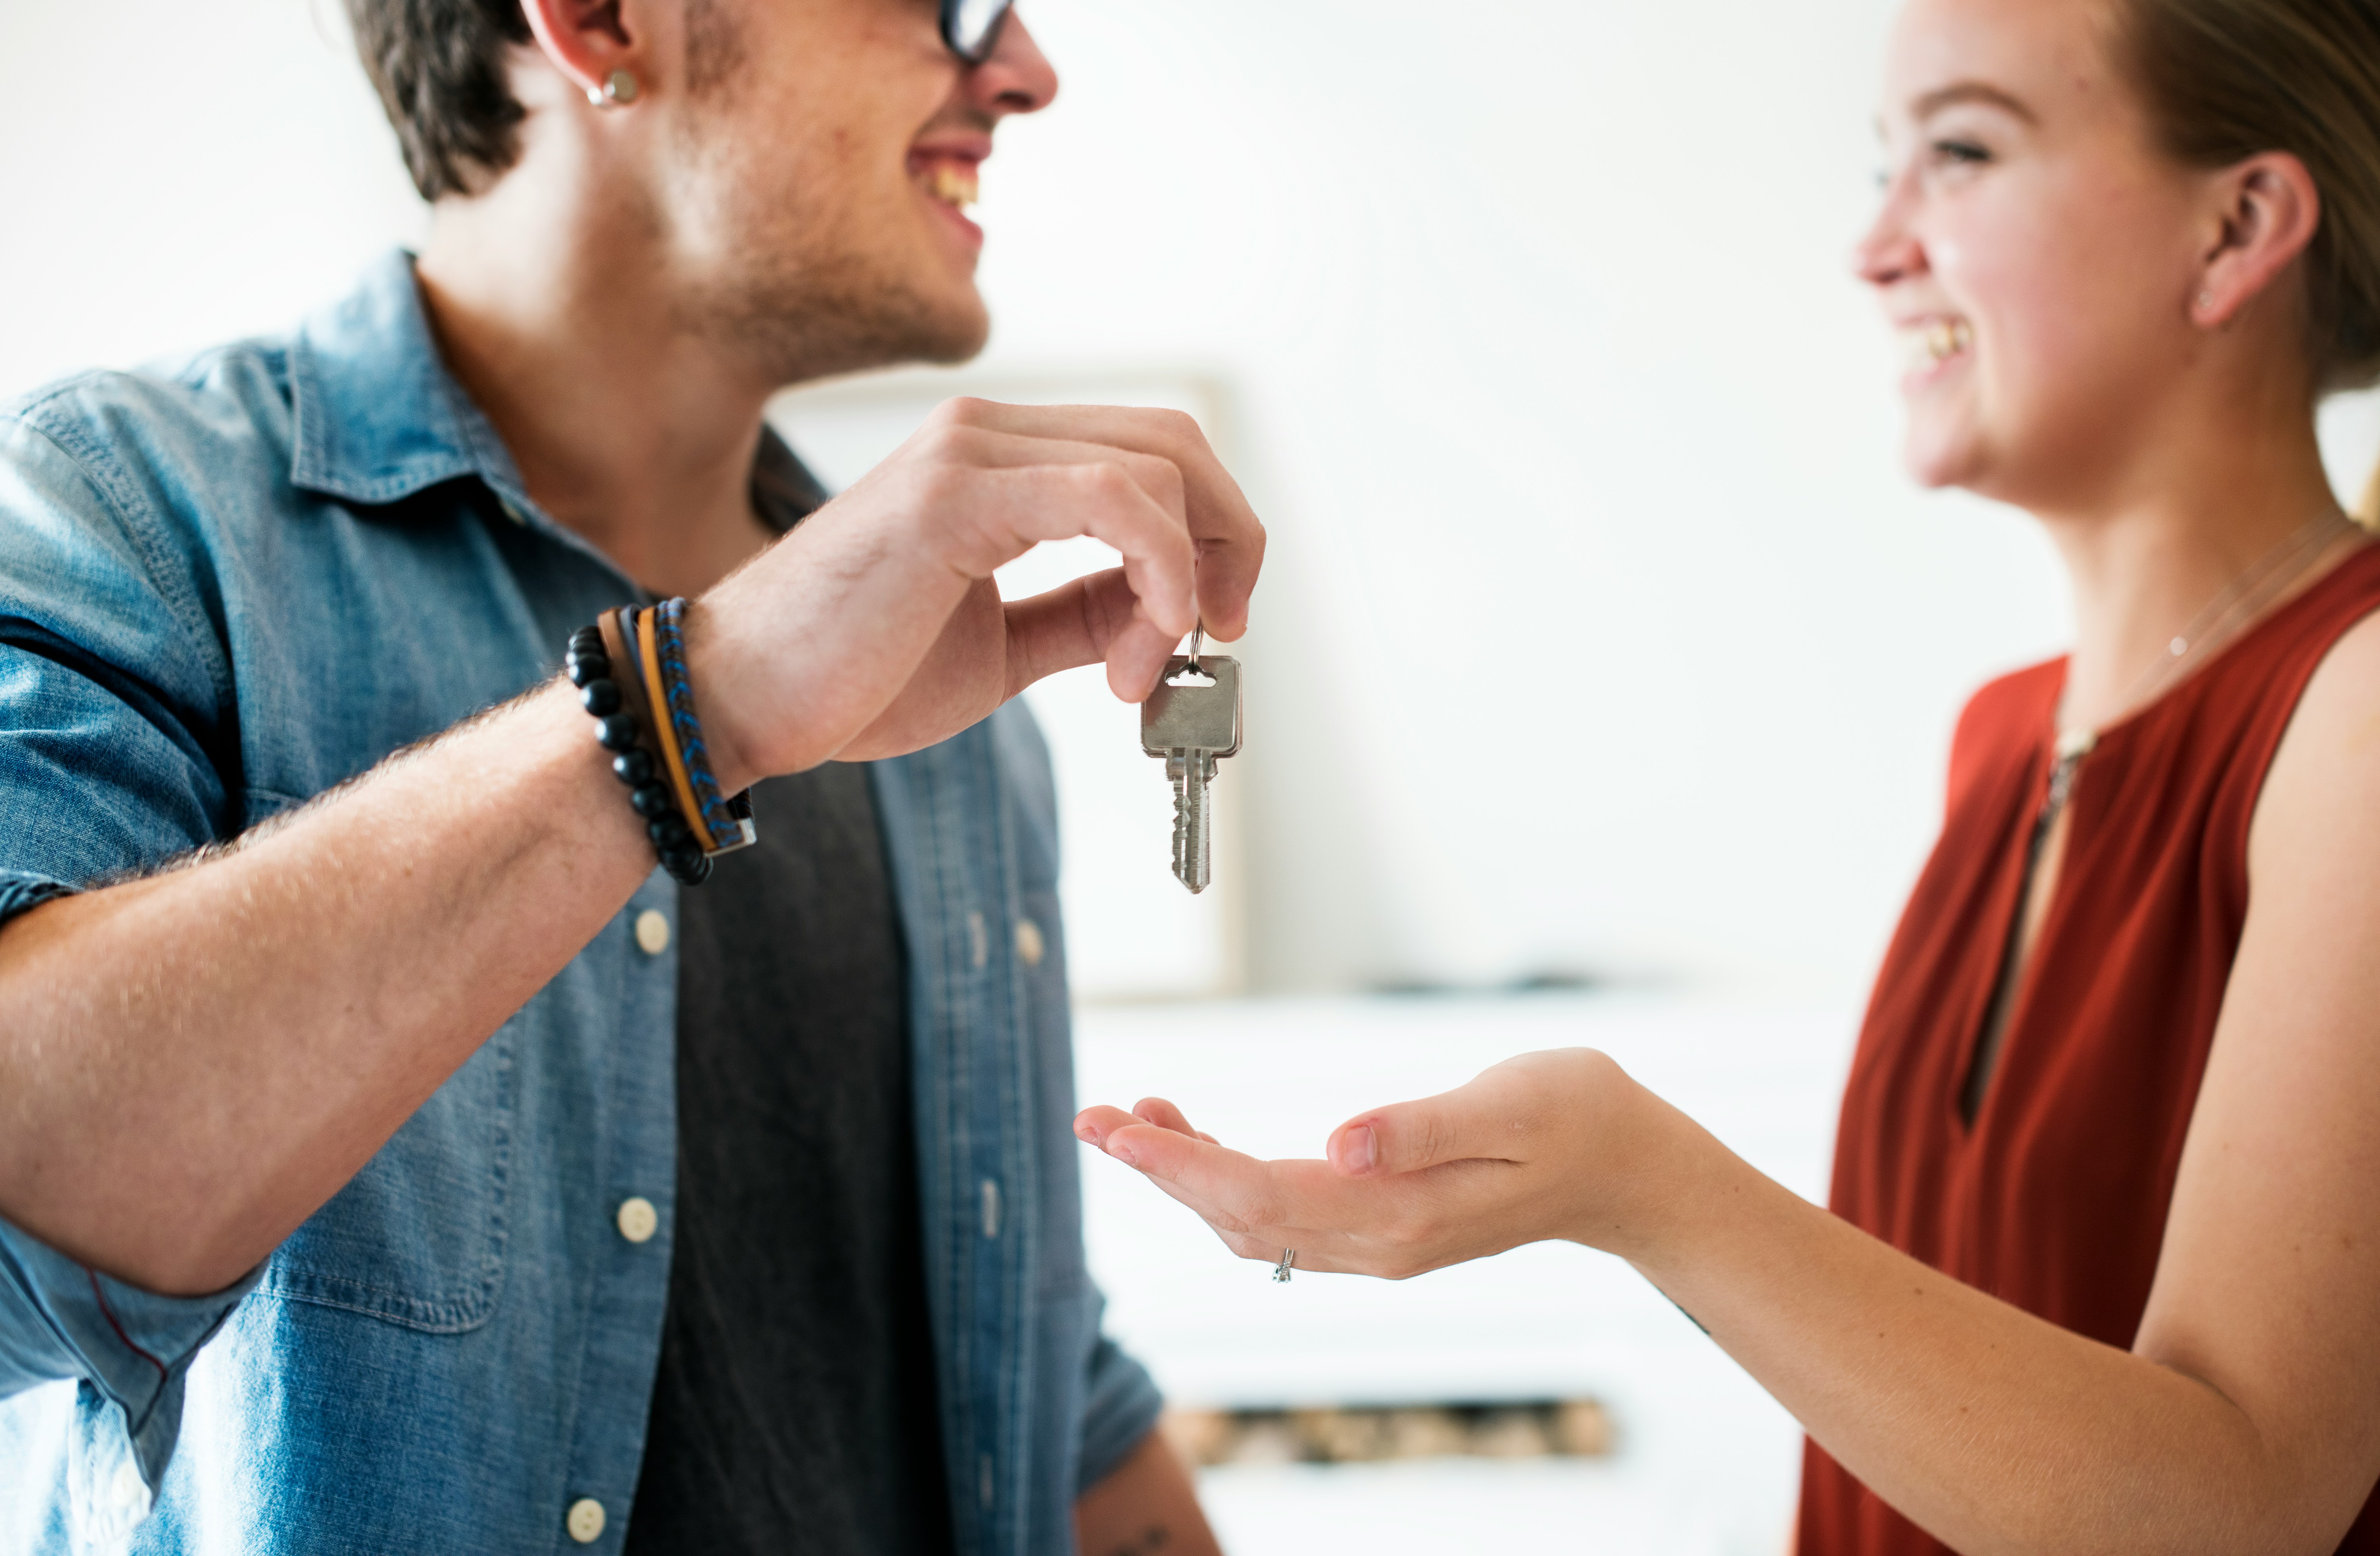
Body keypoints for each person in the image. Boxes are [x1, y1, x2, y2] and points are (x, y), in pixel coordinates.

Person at [1076, 0, 2380, 1550]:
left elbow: (2237, 1511)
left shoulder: (2352, 711)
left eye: (1960, 153)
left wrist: (1640, 1187)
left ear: (2240, 228)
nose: (1876, 247)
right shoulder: (2008, 737)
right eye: (1882, 167)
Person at [0, 0, 1261, 1551]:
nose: (1022, 68)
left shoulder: (960, 701)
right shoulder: (129, 520)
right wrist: (689, 709)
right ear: (600, 19)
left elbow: (1042, 1392)